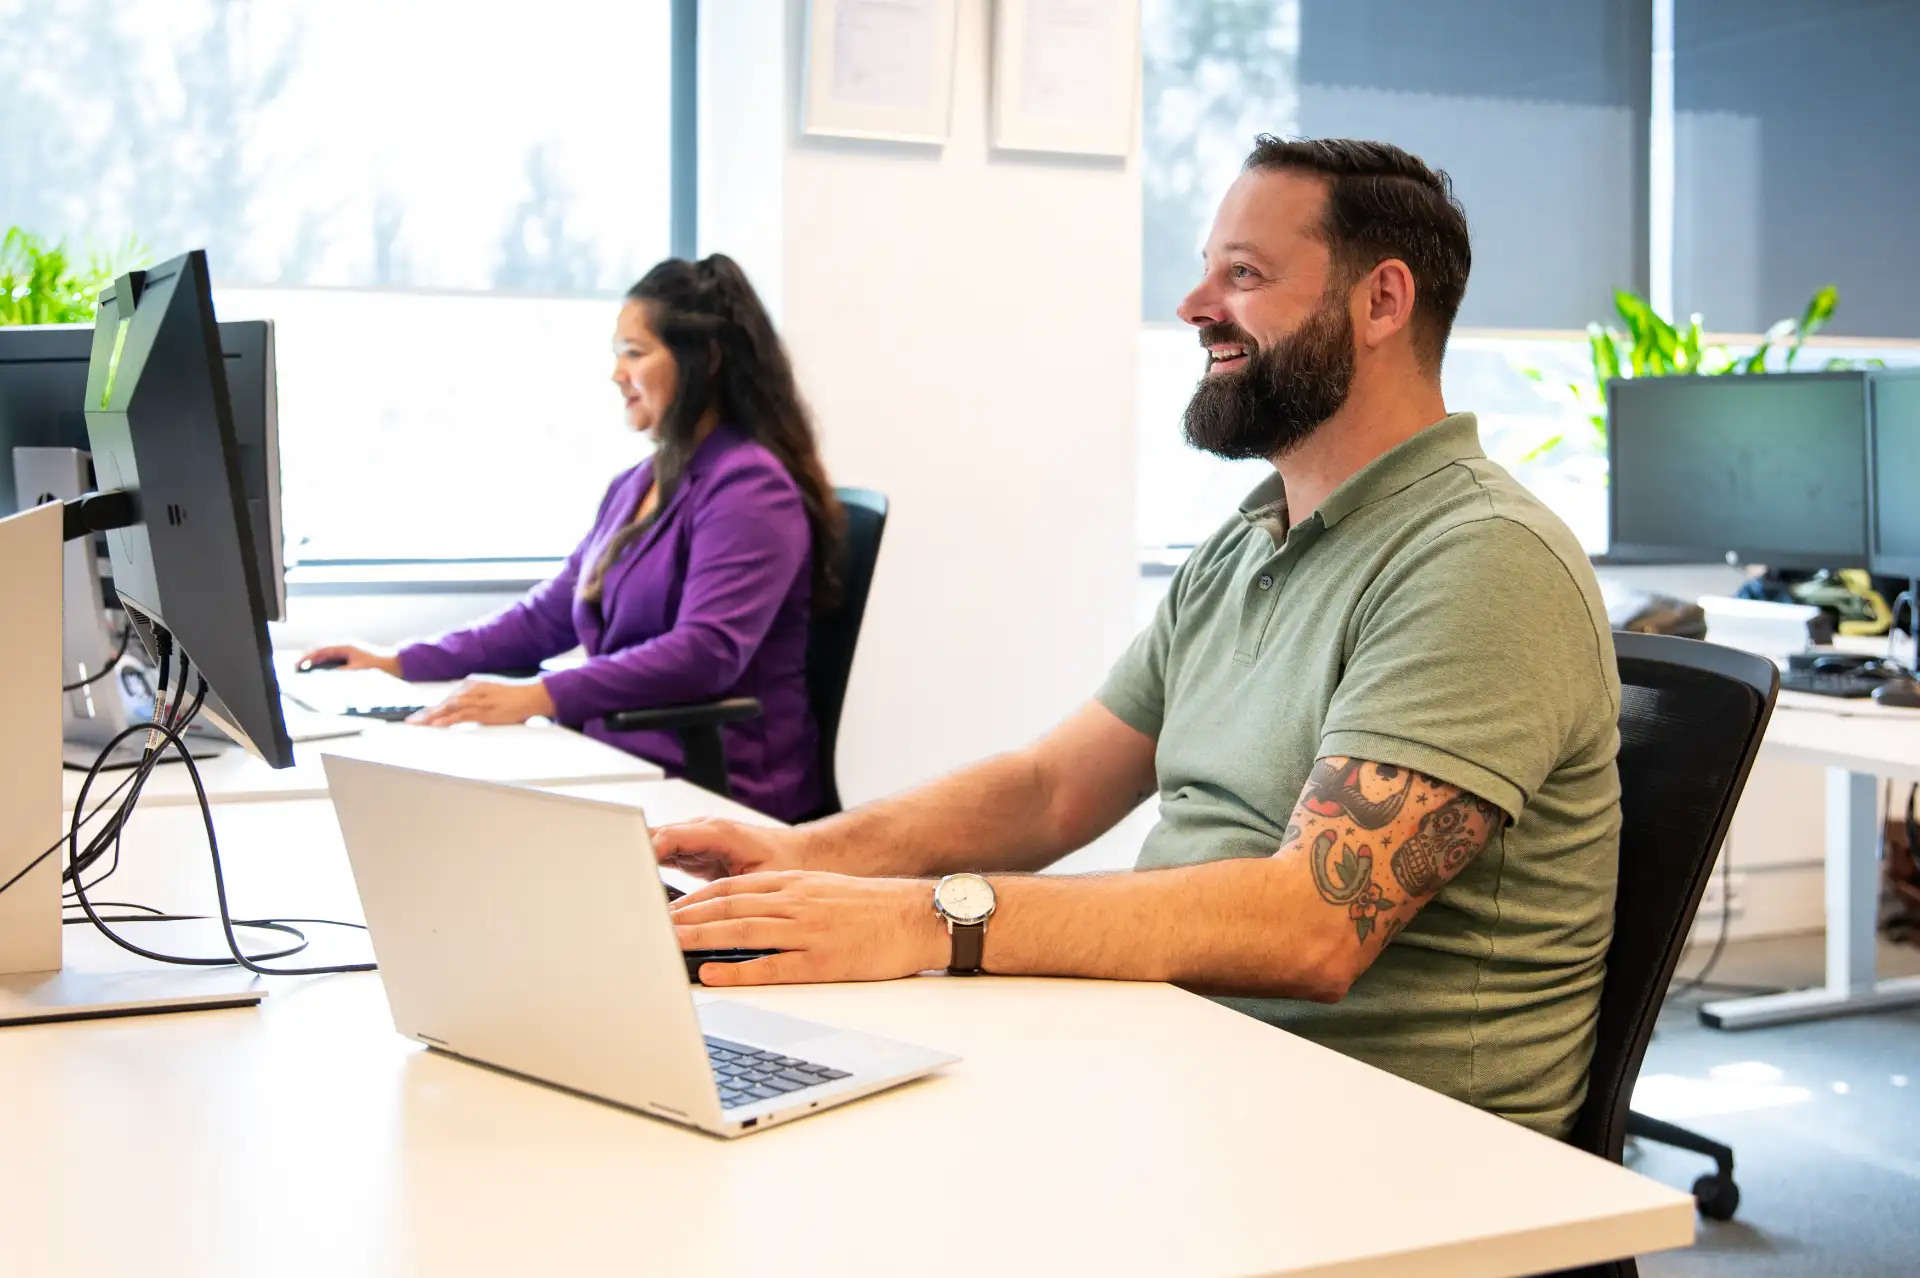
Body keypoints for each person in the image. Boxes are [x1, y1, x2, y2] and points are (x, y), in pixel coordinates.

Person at [652, 138, 1622, 1141]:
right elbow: (1051, 788)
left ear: (1382, 301)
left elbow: (1312, 925)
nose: (1195, 305)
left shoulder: (1480, 559)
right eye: (1206, 269)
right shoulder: (1249, 545)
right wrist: (804, 855)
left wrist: (922, 919)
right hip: (1185, 1058)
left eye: (1242, 274)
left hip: (1385, 1140)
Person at [301, 255, 843, 822]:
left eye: (635, 352)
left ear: (704, 360)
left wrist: (544, 694)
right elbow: (549, 616)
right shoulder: (638, 485)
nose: (617, 374)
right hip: (620, 758)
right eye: (617, 354)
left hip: (716, 793)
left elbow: (704, 653)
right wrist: (400, 662)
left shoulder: (749, 487)